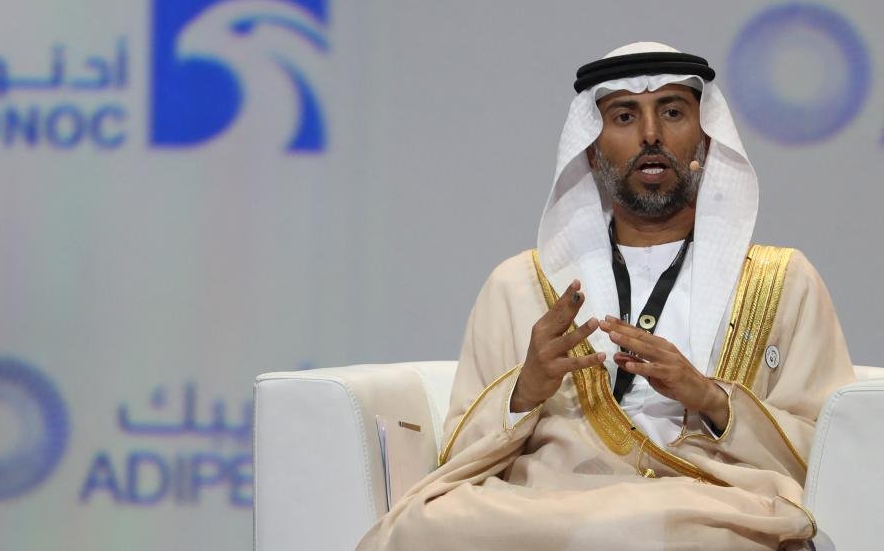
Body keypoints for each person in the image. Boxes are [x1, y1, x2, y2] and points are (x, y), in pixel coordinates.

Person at [356, 42, 854, 551]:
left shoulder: (781, 280)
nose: (651, 134)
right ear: (592, 152)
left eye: (673, 112)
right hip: (548, 501)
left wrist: (709, 398)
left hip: (708, 500)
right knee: (419, 524)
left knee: (657, 531)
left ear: (706, 142)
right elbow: (458, 455)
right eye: (624, 116)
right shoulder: (520, 285)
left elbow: (836, 454)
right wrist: (524, 392)